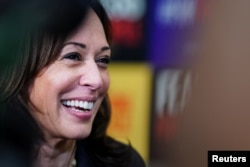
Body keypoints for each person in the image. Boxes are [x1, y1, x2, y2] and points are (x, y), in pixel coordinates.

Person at [0, 0, 146, 167]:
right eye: (73, 56)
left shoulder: (126, 164)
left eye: (103, 60)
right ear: (18, 67)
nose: (96, 80)